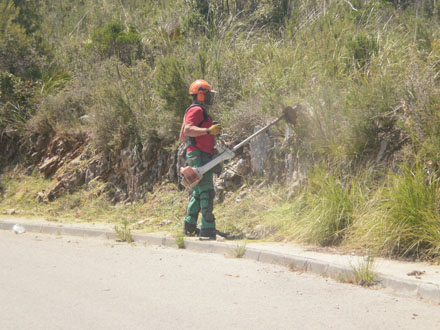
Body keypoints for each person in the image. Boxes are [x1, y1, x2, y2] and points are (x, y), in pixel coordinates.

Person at [179, 79, 222, 240]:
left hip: (197, 154)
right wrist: (208, 131)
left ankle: (189, 225)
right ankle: (208, 228)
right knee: (206, 191)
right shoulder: (196, 110)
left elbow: (182, 135)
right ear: (201, 94)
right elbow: (188, 131)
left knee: (197, 191)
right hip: (200, 155)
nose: (210, 97)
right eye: (208, 94)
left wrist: (207, 133)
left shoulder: (192, 110)